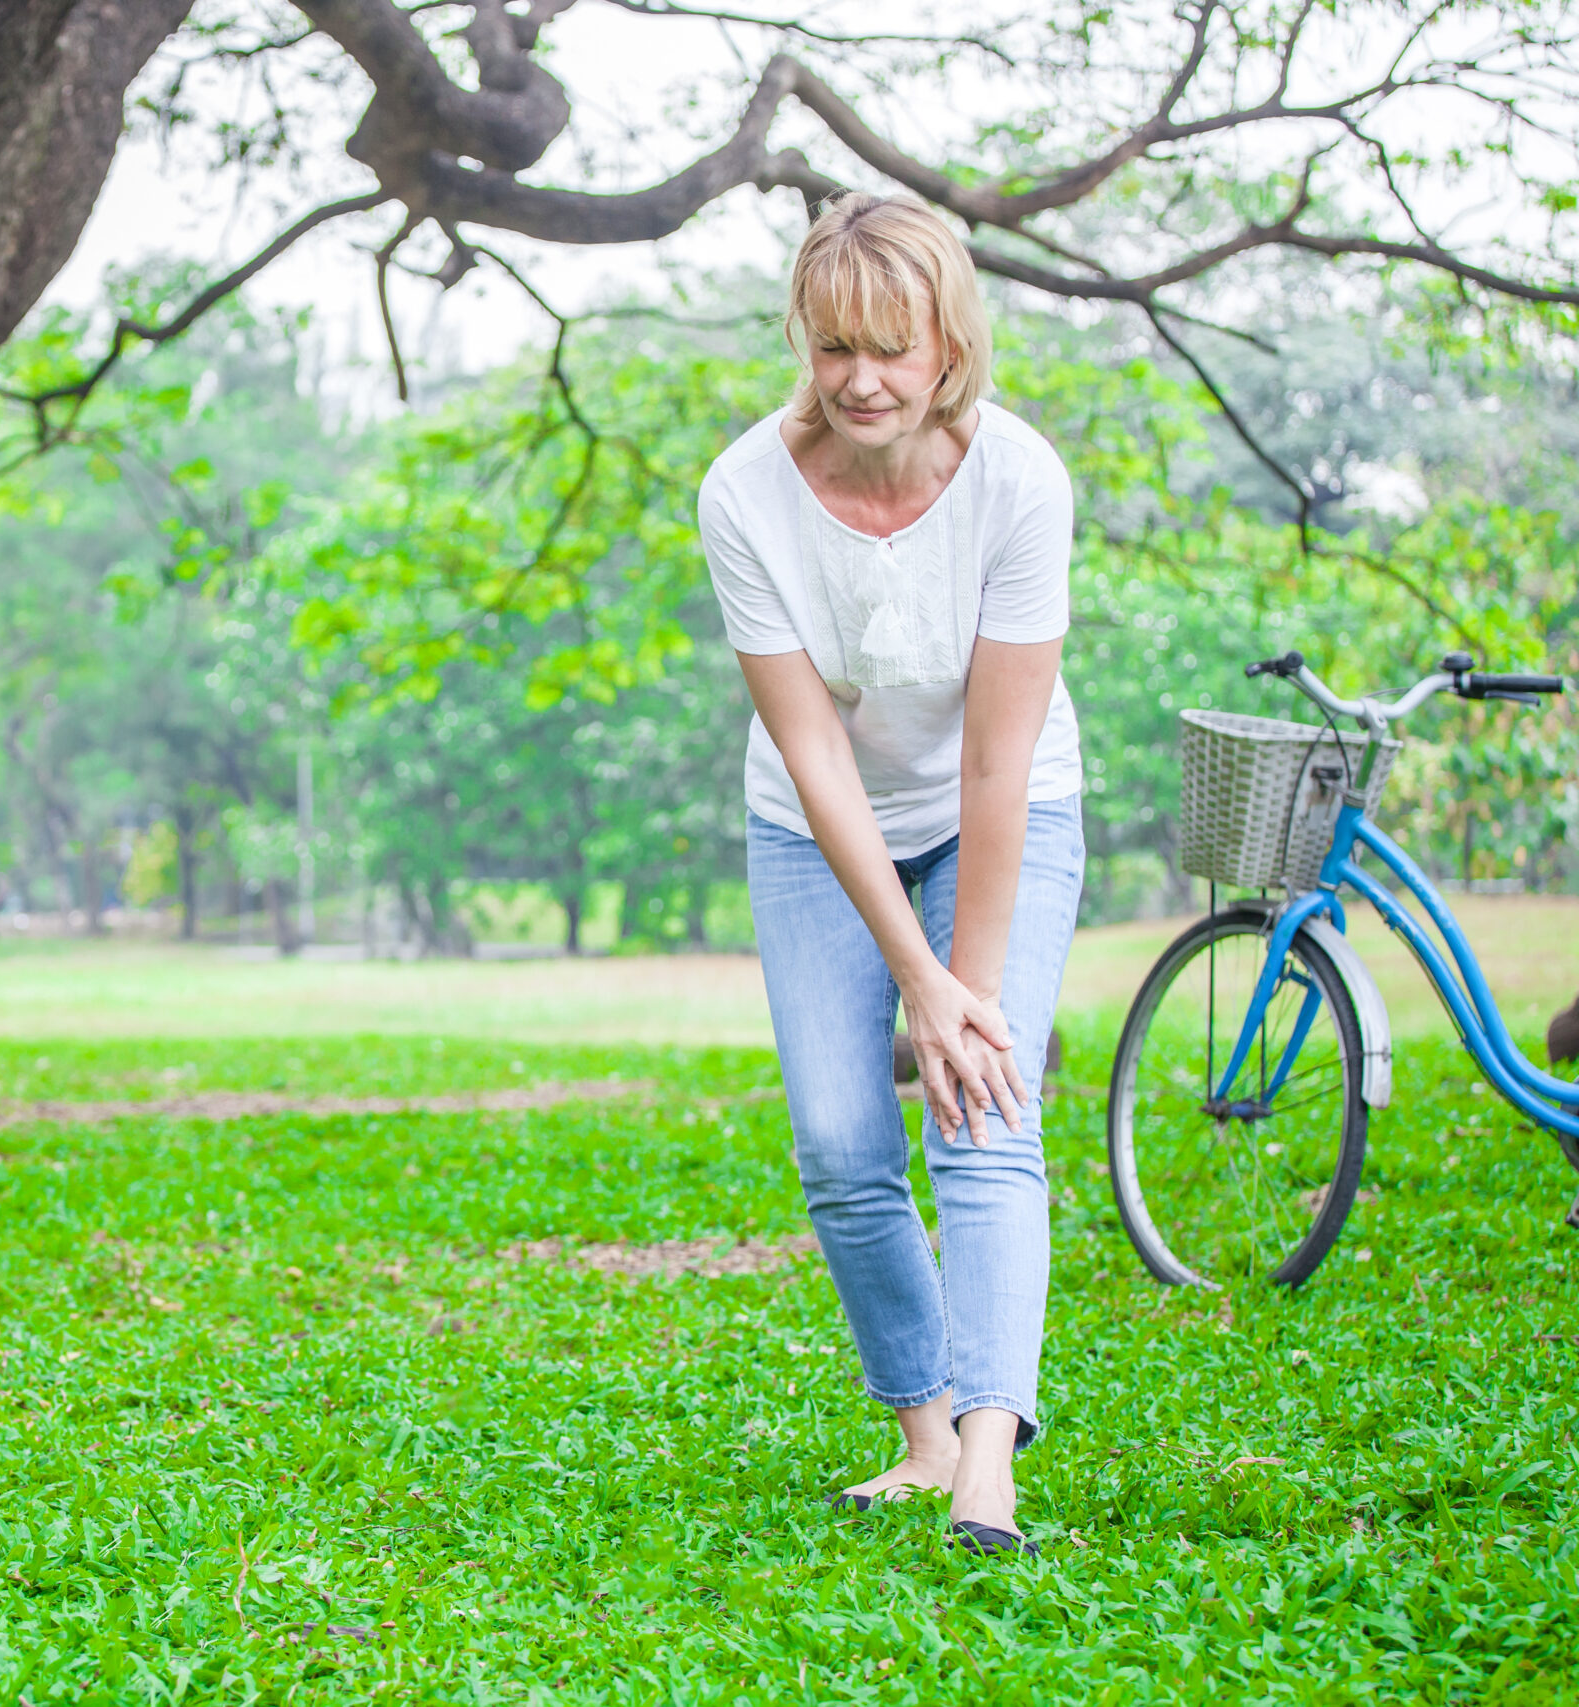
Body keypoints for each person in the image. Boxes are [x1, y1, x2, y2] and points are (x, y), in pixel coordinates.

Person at [699, 192, 1086, 1557]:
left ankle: (991, 1461)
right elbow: (812, 750)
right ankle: (921, 1438)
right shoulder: (743, 490)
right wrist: (910, 974)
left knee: (984, 1108)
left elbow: (995, 764)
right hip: (819, 825)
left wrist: (960, 992)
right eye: (832, 347)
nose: (862, 379)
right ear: (803, 341)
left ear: (949, 343)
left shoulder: (1020, 480)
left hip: (1007, 809)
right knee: (844, 1147)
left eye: (893, 347)